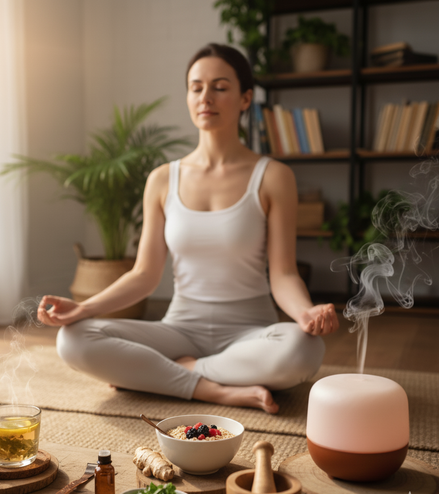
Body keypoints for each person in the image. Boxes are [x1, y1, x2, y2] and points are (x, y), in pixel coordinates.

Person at [37, 43, 339, 414]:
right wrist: (83, 308)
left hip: (251, 334)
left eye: (220, 87)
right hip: (179, 330)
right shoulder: (162, 179)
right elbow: (145, 274)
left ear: (245, 98)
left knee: (305, 349)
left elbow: (284, 274)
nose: (205, 97)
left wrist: (306, 313)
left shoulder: (274, 177)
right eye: (196, 87)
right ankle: (212, 389)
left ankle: (176, 373)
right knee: (74, 339)